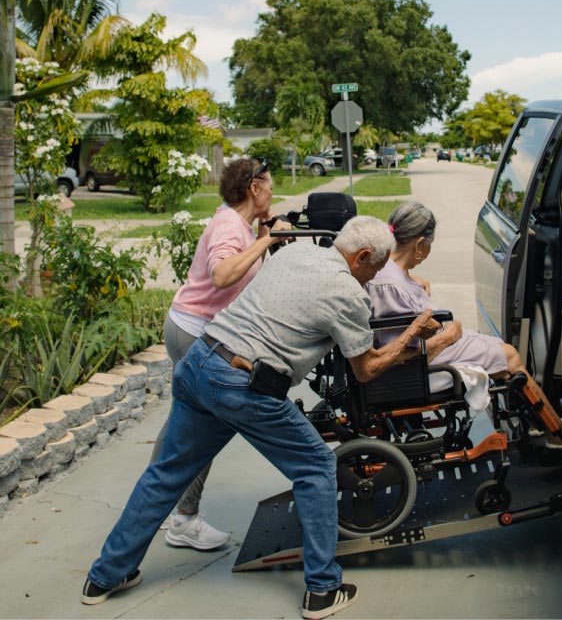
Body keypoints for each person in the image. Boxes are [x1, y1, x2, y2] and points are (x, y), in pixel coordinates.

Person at [82, 216, 451, 619]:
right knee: (315, 466)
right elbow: (365, 369)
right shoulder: (349, 293)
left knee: (166, 473)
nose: (374, 277)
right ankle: (323, 590)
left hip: (199, 361)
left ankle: (104, 576)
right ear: (362, 256)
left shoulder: (295, 252)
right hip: (240, 385)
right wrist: (413, 331)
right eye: (375, 268)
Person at [151, 157, 292, 551]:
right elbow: (222, 275)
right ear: (254, 189)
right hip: (193, 332)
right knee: (205, 425)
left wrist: (263, 236)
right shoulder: (228, 225)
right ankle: (183, 518)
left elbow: (246, 278)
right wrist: (268, 240)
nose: (273, 192)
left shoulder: (241, 225)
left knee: (184, 418)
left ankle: (158, 498)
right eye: (270, 185)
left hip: (192, 328)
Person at [366, 201, 562, 444]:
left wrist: (411, 279)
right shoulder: (391, 285)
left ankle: (537, 419)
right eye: (429, 245)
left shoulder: (386, 266)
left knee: (496, 347)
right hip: (424, 357)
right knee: (510, 355)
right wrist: (449, 335)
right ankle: (557, 434)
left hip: (434, 342)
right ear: (419, 245)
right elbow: (402, 351)